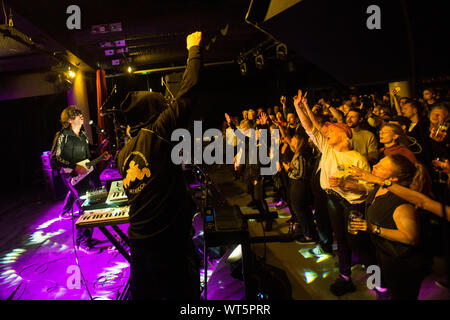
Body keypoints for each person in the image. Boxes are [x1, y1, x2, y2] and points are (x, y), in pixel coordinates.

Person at [116, 31, 202, 300]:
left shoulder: (123, 155)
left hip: (139, 243)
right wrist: (194, 50)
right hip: (170, 241)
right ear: (152, 112)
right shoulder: (159, 130)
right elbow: (188, 94)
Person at [293, 89, 375, 296]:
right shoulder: (328, 149)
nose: (326, 133)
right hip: (333, 199)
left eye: (330, 131)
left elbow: (368, 188)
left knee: (358, 243)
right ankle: (345, 277)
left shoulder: (357, 158)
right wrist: (298, 107)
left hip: (353, 204)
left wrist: (348, 185)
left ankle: (379, 281)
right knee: (340, 239)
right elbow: (309, 127)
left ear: (344, 133)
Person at [349, 155, 433, 299]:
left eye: (381, 167)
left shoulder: (402, 203)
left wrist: (374, 228)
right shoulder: (380, 188)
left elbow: (411, 237)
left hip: (403, 263)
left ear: (393, 179)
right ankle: (380, 291)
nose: (374, 166)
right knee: (385, 286)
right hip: (384, 253)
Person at [50, 106, 104, 254]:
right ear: (69, 120)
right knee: (85, 207)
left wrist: (99, 148)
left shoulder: (81, 134)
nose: (81, 116)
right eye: (77, 114)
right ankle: (84, 243)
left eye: (80, 114)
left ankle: (83, 240)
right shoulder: (62, 136)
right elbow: (54, 158)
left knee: (90, 204)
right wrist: (74, 167)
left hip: (85, 175)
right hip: (72, 177)